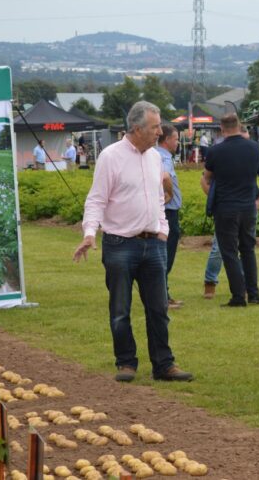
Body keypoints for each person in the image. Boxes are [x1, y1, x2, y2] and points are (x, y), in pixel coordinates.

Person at [73, 101, 193, 383]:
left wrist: (161, 229)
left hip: (153, 245)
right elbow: (97, 199)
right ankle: (126, 362)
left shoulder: (155, 157)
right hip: (120, 245)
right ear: (136, 128)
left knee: (158, 309)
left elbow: (158, 198)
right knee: (120, 309)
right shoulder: (110, 157)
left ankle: (164, 364)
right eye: (154, 127)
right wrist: (90, 233)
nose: (159, 132)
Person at [201, 114, 259, 307]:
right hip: (249, 208)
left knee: (229, 252)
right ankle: (254, 293)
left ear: (222, 129)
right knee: (248, 250)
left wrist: (212, 196)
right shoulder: (253, 148)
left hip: (225, 209)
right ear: (240, 126)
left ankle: (238, 296)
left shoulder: (216, 151)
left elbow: (206, 178)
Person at [157, 124, 184, 310]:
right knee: (166, 255)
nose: (178, 142)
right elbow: (165, 176)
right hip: (168, 212)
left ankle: (164, 293)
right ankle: (162, 297)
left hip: (165, 211)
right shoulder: (163, 157)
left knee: (163, 255)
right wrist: (169, 195)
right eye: (176, 138)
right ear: (166, 140)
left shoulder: (157, 154)